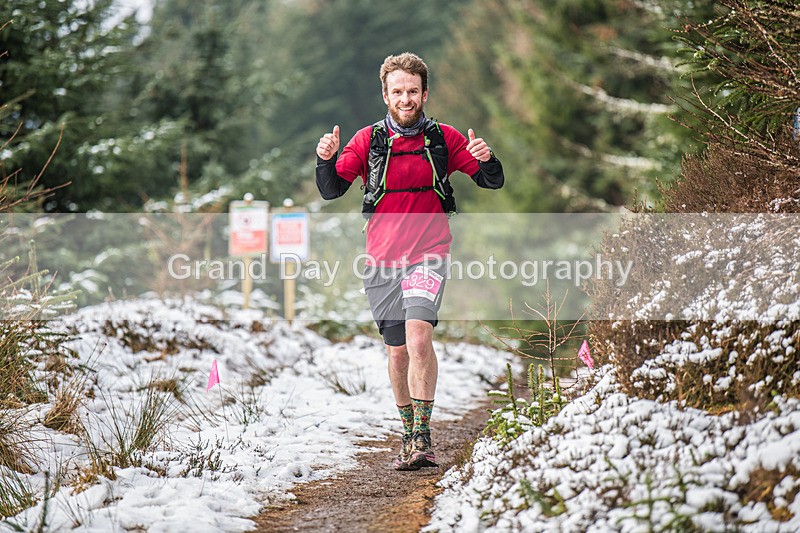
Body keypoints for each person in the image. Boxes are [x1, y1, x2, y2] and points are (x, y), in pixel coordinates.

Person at [315, 52, 504, 471]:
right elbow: (331, 190)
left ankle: (422, 437)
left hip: (428, 255)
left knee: (419, 338)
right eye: (397, 91)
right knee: (397, 352)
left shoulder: (445, 139)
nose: (406, 98)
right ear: (385, 94)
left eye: (413, 91)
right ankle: (407, 432)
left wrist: (487, 158)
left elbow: (492, 181)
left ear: (425, 93)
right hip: (381, 261)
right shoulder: (368, 141)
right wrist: (325, 158)